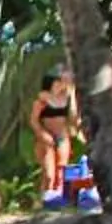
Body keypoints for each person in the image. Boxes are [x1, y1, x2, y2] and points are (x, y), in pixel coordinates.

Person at [31, 69, 80, 202]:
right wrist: (42, 135)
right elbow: (34, 121)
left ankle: (57, 201)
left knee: (61, 171)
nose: (61, 84)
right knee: (49, 174)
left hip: (62, 137)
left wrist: (72, 94)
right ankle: (44, 201)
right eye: (58, 81)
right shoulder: (42, 99)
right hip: (45, 138)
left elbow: (73, 117)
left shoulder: (66, 99)